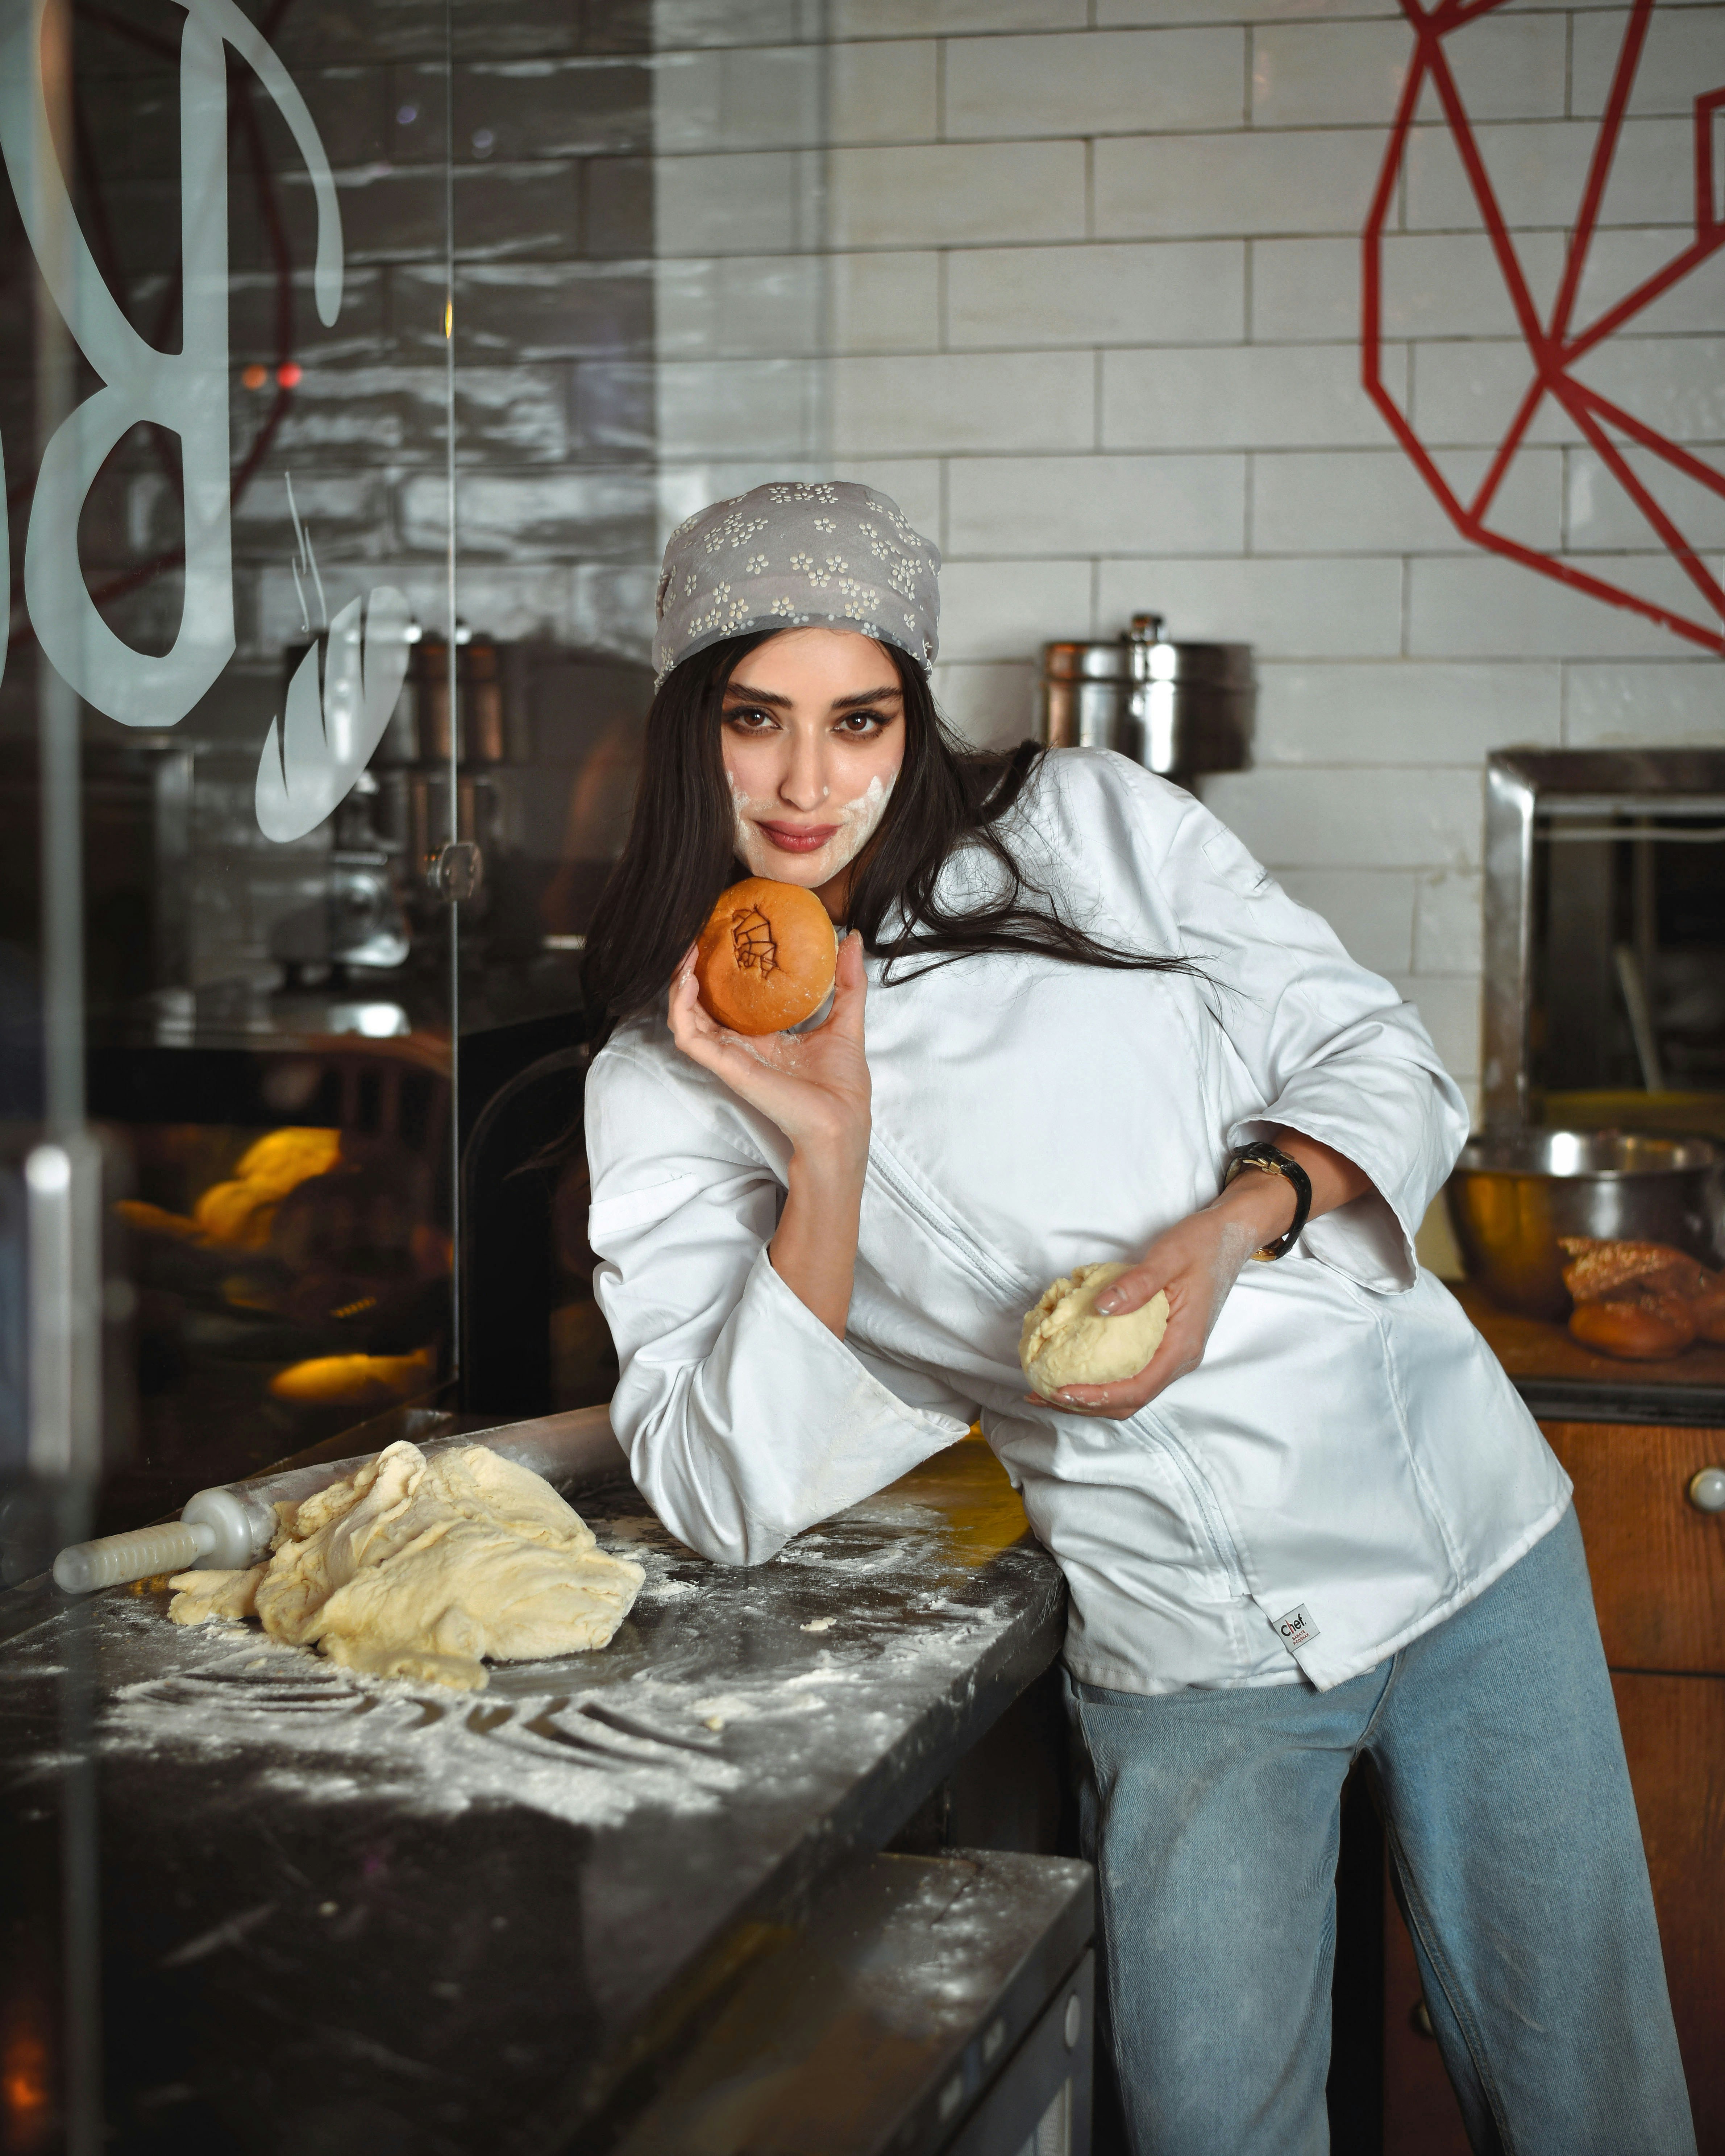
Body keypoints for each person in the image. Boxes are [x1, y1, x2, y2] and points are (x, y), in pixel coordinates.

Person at [580, 482, 1694, 2156]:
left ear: (912, 714)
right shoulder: (661, 1078)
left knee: (1590, 2108)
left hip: (1462, 1535)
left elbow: (1376, 1053)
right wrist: (825, 1140)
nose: (809, 783)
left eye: (858, 719)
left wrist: (1238, 1225)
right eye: (757, 721)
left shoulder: (1082, 824)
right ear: (692, 728)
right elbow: (721, 1486)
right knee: (1211, 2130)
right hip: (1189, 1640)